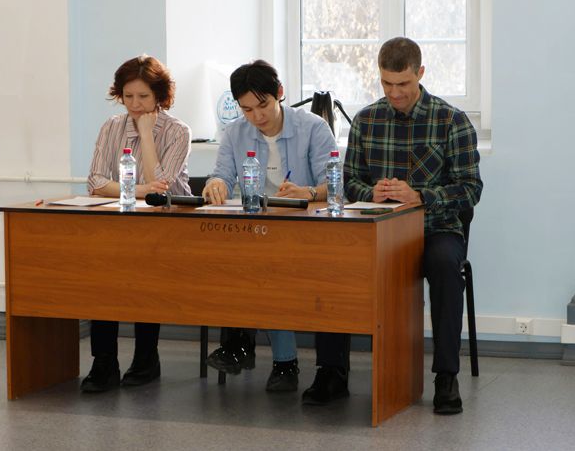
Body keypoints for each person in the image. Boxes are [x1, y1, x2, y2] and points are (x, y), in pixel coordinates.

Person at [303, 37, 482, 414]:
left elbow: (470, 188)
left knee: (446, 268)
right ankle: (332, 371)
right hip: (376, 230)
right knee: (332, 264)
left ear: (420, 73)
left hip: (435, 229)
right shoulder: (366, 120)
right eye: (387, 83)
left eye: (403, 83)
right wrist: (372, 191)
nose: (395, 93)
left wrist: (421, 196)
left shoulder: (451, 120)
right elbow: (348, 181)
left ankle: (446, 376)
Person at [202, 59, 338, 392]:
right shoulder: (235, 133)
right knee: (223, 259)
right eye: (247, 110)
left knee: (267, 264)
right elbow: (222, 175)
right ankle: (246, 347)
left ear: (280, 93)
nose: (257, 117)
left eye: (263, 105)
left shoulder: (313, 128)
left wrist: (308, 192)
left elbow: (335, 186)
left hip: (303, 230)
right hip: (254, 230)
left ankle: (271, 357)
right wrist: (215, 184)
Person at [81, 54, 192, 393]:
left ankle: (146, 358)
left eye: (143, 96)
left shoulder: (177, 132)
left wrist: (145, 135)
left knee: (145, 276)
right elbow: (96, 182)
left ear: (159, 95)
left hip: (166, 229)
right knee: (101, 278)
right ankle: (104, 362)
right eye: (128, 96)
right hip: (118, 225)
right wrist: (139, 190)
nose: (135, 104)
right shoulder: (111, 127)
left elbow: (163, 187)